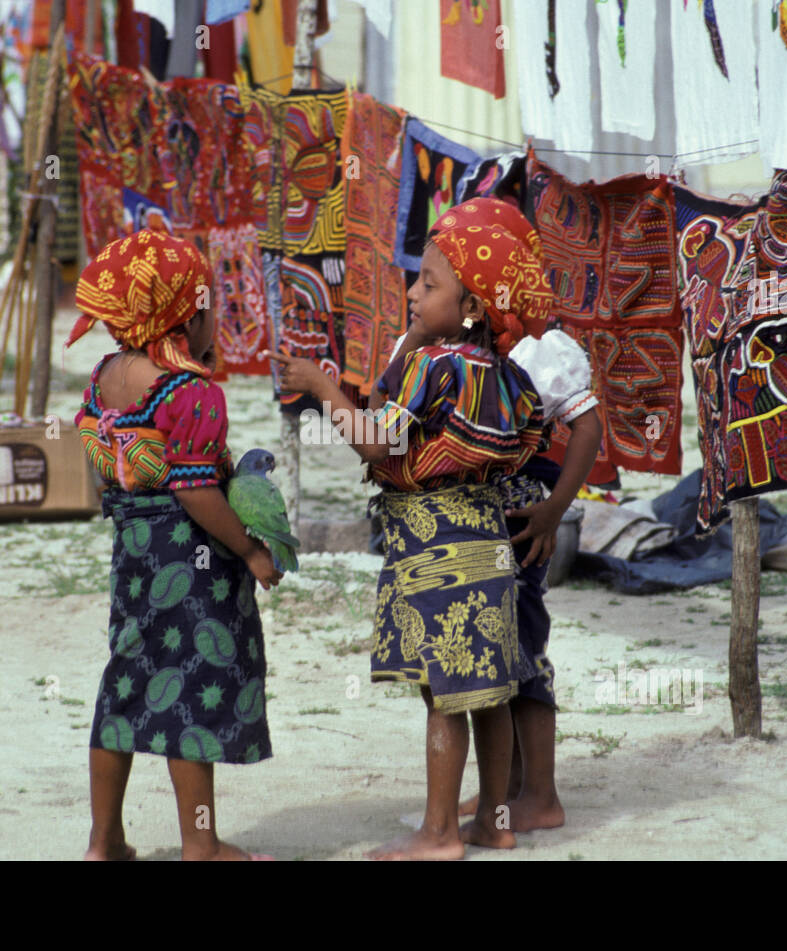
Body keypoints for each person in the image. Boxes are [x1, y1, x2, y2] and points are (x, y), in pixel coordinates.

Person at [264, 209, 551, 860]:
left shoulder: (434, 365)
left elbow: (373, 439)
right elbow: (533, 437)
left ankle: (439, 832)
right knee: (490, 688)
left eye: (429, 284)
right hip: (488, 540)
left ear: (473, 306)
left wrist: (320, 386)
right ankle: (494, 819)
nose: (413, 294)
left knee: (444, 695)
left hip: (435, 546)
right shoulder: (510, 377)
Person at [69, 224, 282, 862]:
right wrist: (249, 548)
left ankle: (103, 843)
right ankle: (201, 845)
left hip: (134, 557)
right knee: (190, 687)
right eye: (208, 302)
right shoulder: (191, 393)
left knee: (127, 683)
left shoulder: (105, 377)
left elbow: (108, 466)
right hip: (192, 566)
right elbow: (194, 491)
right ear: (184, 315)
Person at [421, 199, 603, 832]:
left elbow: (588, 427)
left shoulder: (539, 350)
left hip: (520, 522)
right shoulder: (463, 347)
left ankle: (540, 794)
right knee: (492, 655)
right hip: (477, 527)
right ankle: (509, 789)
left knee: (524, 646)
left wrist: (554, 511)